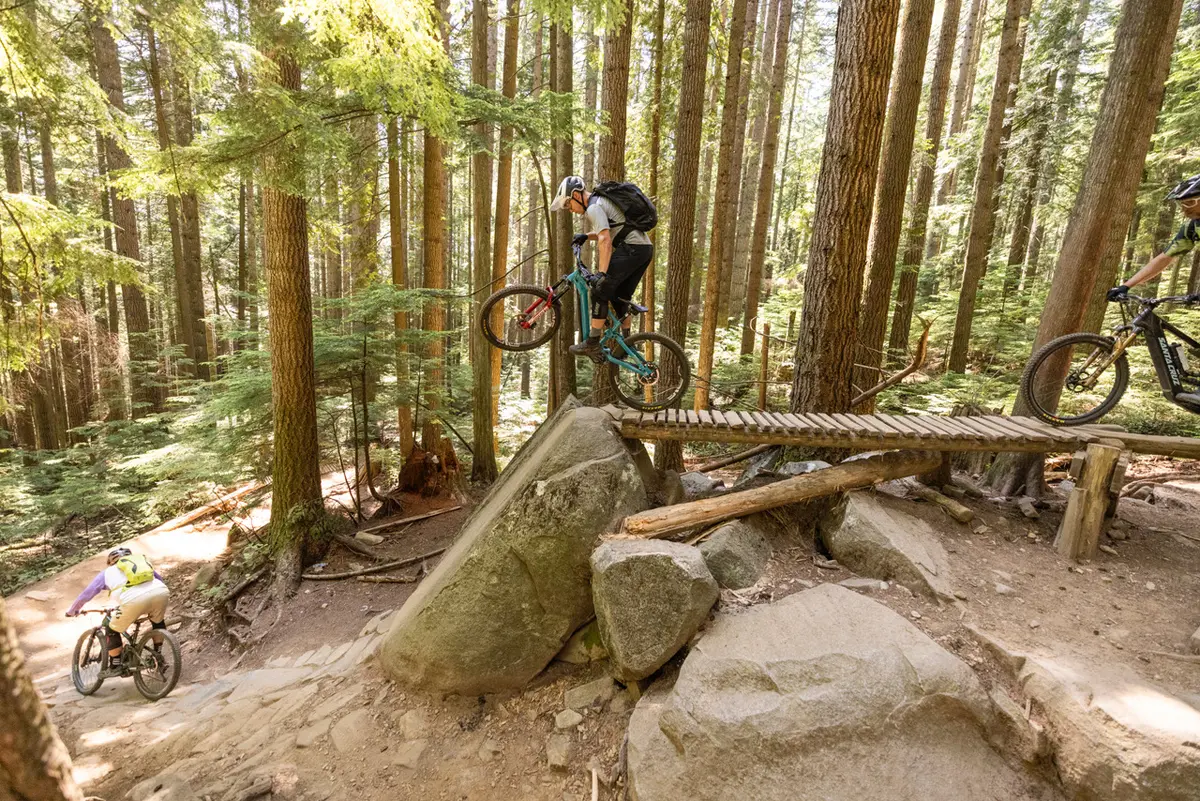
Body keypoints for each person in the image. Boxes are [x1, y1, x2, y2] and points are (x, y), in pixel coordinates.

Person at [549, 176, 655, 359]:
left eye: (568, 204)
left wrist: (602, 274)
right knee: (620, 296)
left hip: (632, 249)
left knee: (599, 290)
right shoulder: (599, 201)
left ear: (575, 195)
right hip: (644, 250)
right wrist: (586, 236)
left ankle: (592, 343)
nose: (570, 210)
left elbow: (605, 240)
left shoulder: (593, 207)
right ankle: (627, 343)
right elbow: (610, 229)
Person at [65, 547, 170, 678]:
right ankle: (158, 655)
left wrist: (72, 610)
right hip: (160, 592)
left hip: (133, 600)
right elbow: (159, 579)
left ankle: (115, 665)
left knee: (111, 628)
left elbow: (87, 594)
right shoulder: (139, 565)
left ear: (110, 562)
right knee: (158, 621)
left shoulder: (107, 573)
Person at [1107, 174, 1200, 300]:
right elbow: (1164, 258)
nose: (1184, 210)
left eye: (1189, 202)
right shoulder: (1192, 227)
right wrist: (1126, 286)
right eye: (1182, 204)